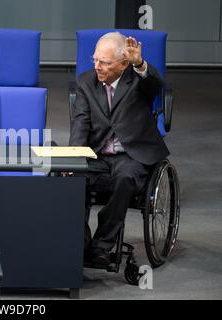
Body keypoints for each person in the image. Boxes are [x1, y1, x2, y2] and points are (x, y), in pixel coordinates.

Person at [69, 32, 169, 266]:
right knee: (72, 177)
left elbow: (156, 84)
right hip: (97, 154)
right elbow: (80, 122)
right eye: (95, 60)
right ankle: (79, 244)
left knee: (125, 178)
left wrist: (140, 64)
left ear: (123, 63)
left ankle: (101, 246)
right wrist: (72, 159)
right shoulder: (85, 81)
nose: (97, 67)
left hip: (131, 154)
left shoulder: (137, 79)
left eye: (104, 62)